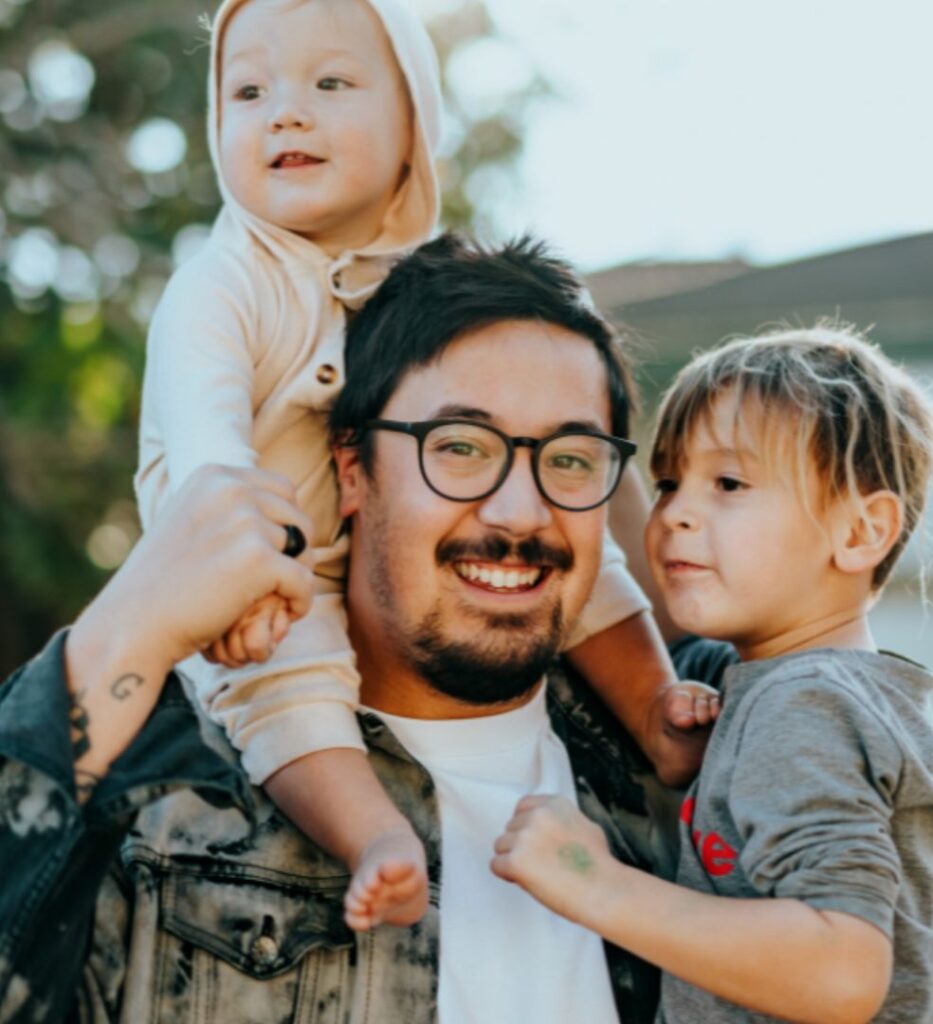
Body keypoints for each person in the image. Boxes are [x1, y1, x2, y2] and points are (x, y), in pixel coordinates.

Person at [0, 234, 715, 1024]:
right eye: (460, 448)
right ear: (351, 470)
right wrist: (128, 623)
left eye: (572, 459)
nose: (521, 512)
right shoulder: (168, 790)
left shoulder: (713, 762)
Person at [133, 0, 686, 932]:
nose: (286, 113)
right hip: (261, 574)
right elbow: (206, 453)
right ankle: (376, 838)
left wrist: (575, 460)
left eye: (331, 84)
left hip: (359, 556)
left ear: (412, 136)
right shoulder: (221, 285)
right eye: (250, 91)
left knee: (570, 551)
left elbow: (571, 469)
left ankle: (662, 715)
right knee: (286, 687)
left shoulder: (427, 289)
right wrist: (239, 580)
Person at [494, 325, 933, 1023]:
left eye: (728, 483)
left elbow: (842, 970)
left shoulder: (803, 705)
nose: (676, 515)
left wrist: (592, 883)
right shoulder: (796, 689)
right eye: (668, 482)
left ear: (860, 532)